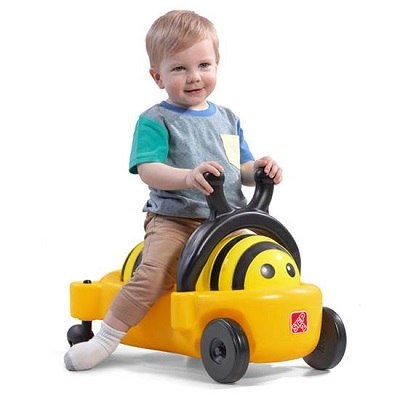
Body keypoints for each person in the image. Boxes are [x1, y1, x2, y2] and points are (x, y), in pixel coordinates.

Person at [64, 9, 282, 371]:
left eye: (204, 65)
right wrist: (187, 177)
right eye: (179, 68)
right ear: (158, 76)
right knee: (154, 274)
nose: (194, 76)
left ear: (217, 64)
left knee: (263, 261)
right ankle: (105, 339)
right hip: (175, 219)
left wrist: (259, 168)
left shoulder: (228, 118)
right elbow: (148, 170)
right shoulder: (155, 120)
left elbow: (240, 169)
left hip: (228, 220)